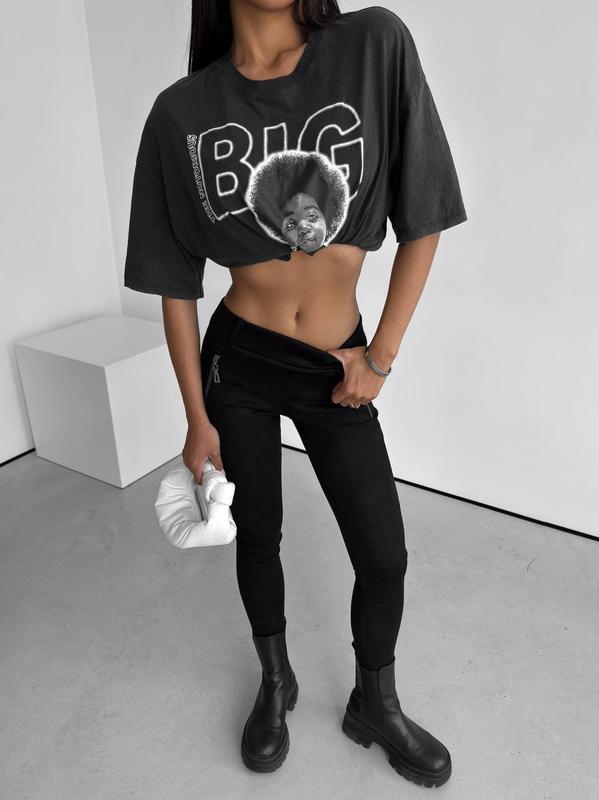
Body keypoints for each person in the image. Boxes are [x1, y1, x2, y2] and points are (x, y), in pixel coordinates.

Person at [123, 0, 467, 787]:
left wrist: (378, 356)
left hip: (336, 369)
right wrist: (195, 417)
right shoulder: (181, 111)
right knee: (258, 535)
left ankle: (374, 702)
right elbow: (175, 284)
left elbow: (424, 213)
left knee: (382, 554)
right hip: (239, 361)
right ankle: (275, 681)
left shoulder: (372, 45)